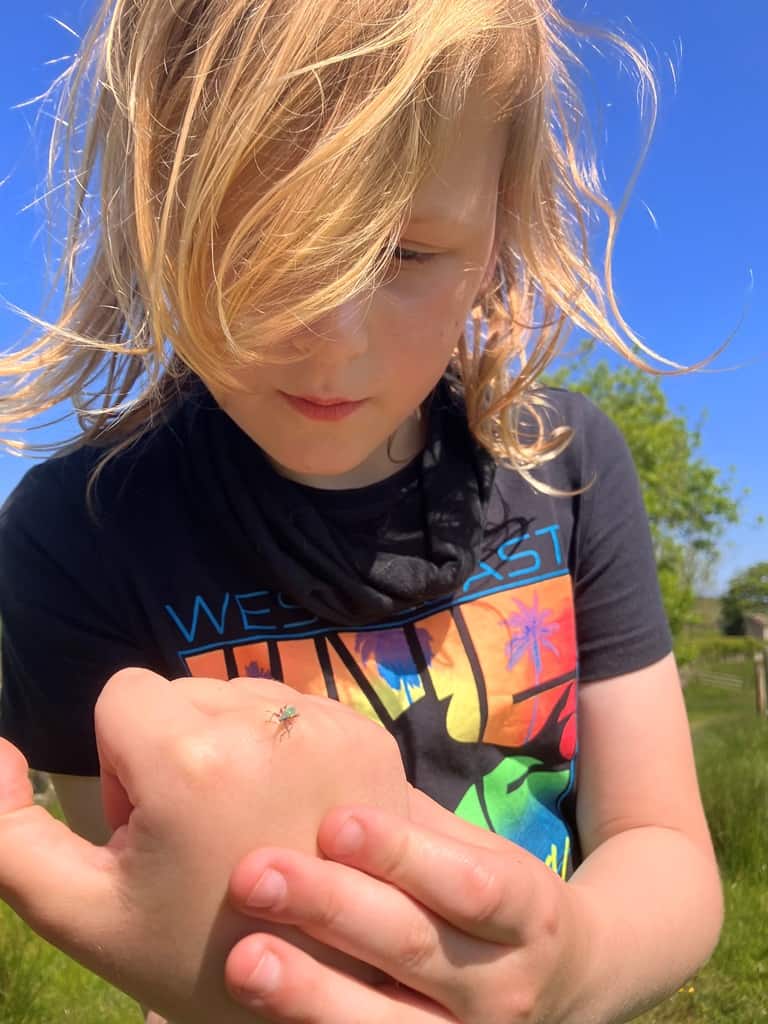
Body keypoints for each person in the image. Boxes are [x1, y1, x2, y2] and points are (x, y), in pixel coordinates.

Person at [0, 2, 723, 1023]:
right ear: (151, 216)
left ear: (500, 232)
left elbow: (666, 848)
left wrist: (569, 971)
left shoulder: (569, 467)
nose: (334, 341)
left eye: (404, 254)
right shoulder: (74, 532)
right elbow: (157, 904)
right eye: (261, 242)